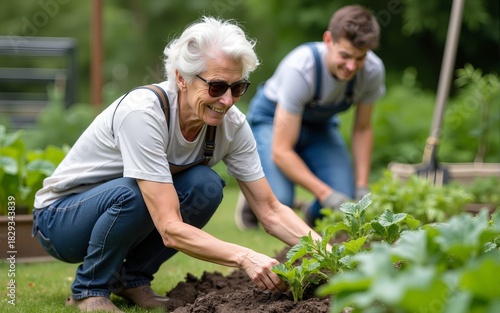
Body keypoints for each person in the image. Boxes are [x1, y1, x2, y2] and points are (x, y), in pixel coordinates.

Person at [32, 16, 325, 313]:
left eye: (238, 88)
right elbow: (169, 227)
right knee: (133, 194)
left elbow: (271, 210)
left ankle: (131, 280)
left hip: (121, 214)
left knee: (206, 185)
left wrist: (327, 253)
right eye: (216, 86)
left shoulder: (232, 125)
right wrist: (245, 257)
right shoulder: (144, 114)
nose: (227, 100)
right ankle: (89, 288)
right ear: (182, 78)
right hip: (60, 221)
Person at [235, 5, 386, 229]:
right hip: (271, 123)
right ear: (328, 40)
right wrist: (325, 193)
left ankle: (309, 213)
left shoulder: (372, 71)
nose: (351, 67)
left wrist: (362, 185)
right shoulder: (301, 69)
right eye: (345, 56)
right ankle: (254, 195)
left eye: (360, 58)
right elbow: (282, 151)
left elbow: (363, 128)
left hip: (319, 127)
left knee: (344, 200)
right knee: (282, 201)